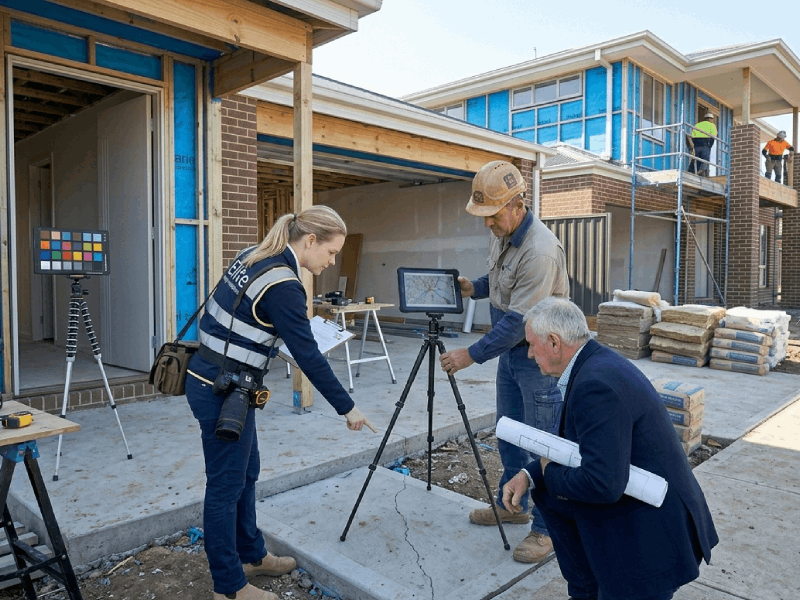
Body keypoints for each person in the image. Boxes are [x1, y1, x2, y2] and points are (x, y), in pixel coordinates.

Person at [186, 206, 376, 600]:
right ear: (310, 241)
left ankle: (252, 554)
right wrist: (348, 408)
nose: (332, 261)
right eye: (331, 252)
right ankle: (230, 588)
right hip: (223, 390)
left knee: (246, 470)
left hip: (214, 379)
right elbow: (308, 355)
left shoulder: (253, 255)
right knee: (224, 487)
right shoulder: (285, 285)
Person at [502, 297, 719, 600]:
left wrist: (547, 473)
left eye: (531, 344)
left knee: (552, 488)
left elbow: (602, 483)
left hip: (652, 541)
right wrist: (530, 472)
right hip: (644, 515)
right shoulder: (593, 364)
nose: (528, 354)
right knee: (548, 491)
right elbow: (579, 448)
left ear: (553, 342)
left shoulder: (595, 385)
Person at [438, 160, 569, 563]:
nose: (487, 224)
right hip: (513, 355)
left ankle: (547, 531)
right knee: (509, 432)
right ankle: (514, 505)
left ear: (516, 205)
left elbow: (517, 322)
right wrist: (472, 287)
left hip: (541, 358)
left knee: (544, 442)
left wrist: (470, 354)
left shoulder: (541, 251)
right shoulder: (504, 232)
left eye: (492, 216)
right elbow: (499, 284)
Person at [689, 112, 717, 176]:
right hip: (705, 142)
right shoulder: (712, 125)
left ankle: (691, 172)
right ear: (711, 119)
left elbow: (692, 136)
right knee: (705, 160)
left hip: (696, 142)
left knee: (696, 158)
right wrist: (709, 146)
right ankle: (701, 172)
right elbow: (713, 137)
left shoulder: (697, 124)